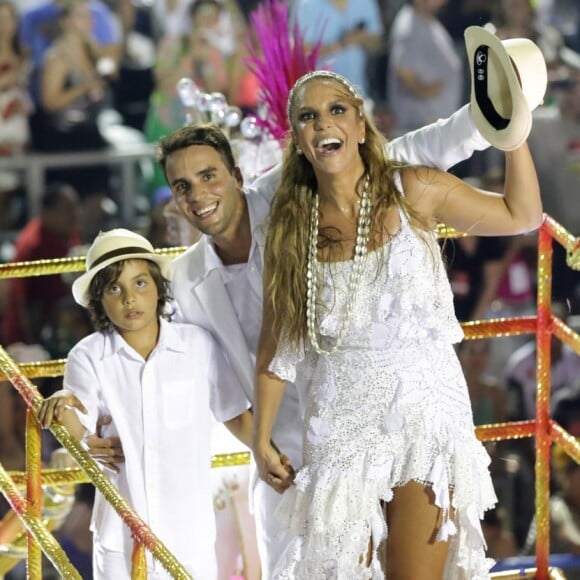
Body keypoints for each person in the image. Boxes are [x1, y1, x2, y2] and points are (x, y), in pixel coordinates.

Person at [91, 96, 495, 577]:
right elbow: (196, 377)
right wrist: (97, 413)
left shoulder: (291, 194)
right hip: (284, 470)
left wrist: (484, 120)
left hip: (371, 429)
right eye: (182, 186)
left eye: (208, 177)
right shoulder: (181, 281)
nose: (198, 194)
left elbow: (406, 153)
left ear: (237, 176)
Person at [251, 68, 542, 578]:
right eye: (308, 116)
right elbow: (277, 341)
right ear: (298, 139)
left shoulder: (415, 188)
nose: (324, 124)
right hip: (340, 423)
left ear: (361, 124)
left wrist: (515, 134)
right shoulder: (288, 229)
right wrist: (260, 437)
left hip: (424, 413)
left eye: (337, 110)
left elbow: (522, 214)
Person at [37, 228, 253, 579]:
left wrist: (277, 456)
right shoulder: (89, 356)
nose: (129, 299)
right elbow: (80, 420)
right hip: (121, 536)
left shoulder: (198, 345)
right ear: (99, 301)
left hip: (188, 533)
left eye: (139, 283)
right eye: (114, 288)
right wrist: (63, 407)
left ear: (158, 287)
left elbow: (235, 415)